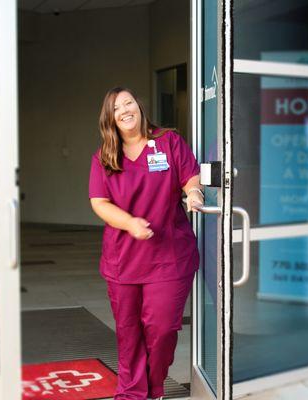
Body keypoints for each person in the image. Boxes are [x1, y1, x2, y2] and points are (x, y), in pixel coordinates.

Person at [88, 87, 204, 400]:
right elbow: (99, 202)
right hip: (123, 259)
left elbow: (189, 176)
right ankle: (131, 394)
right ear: (109, 118)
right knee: (129, 333)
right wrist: (129, 223)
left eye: (128, 103)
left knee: (163, 328)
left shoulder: (168, 142)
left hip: (170, 255)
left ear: (139, 107)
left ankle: (152, 388)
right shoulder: (105, 156)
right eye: (116, 108)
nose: (124, 110)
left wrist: (193, 193)